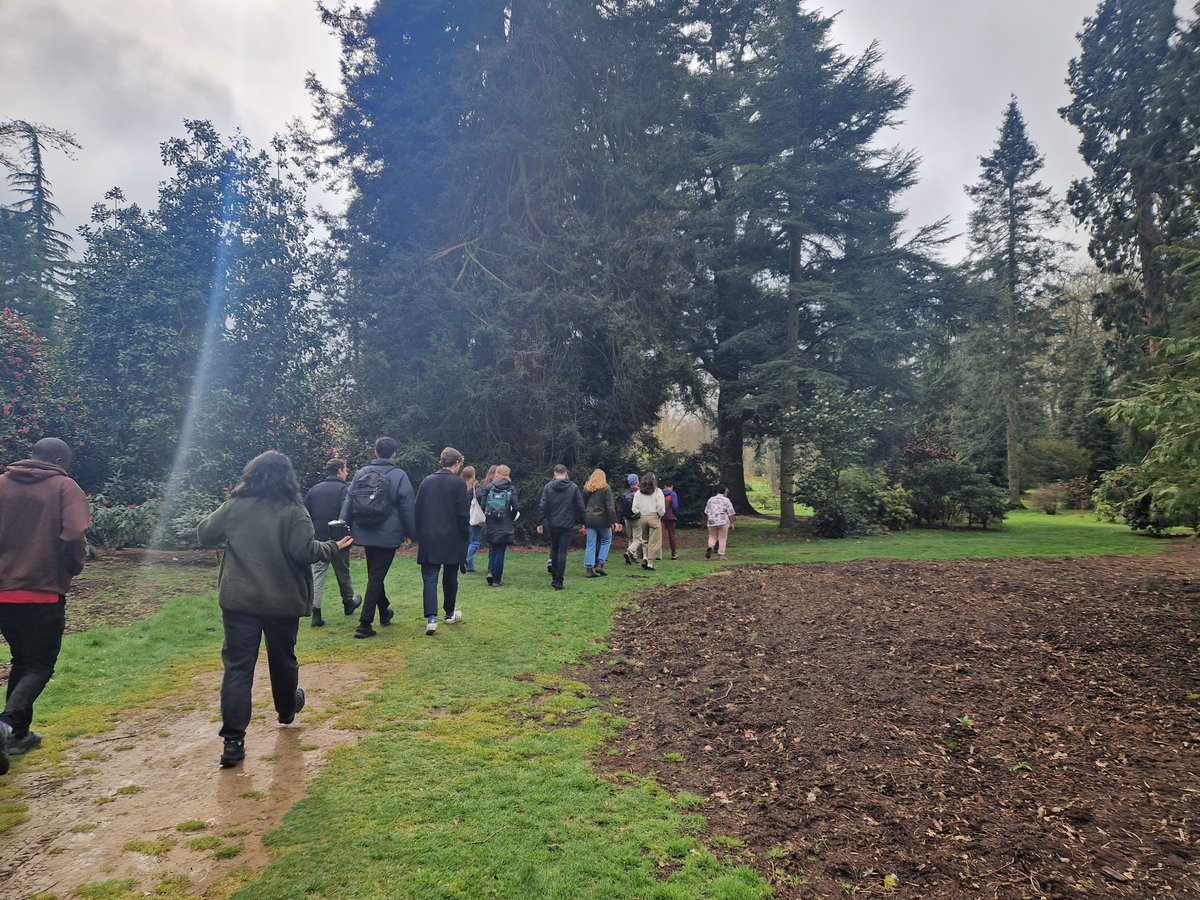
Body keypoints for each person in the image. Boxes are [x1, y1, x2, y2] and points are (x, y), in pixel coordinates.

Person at [198, 450, 353, 768]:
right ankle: (286, 709)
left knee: (238, 668)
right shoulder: (293, 510)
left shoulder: (234, 507)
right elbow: (304, 551)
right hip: (281, 601)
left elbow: (204, 533)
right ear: (288, 478)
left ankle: (233, 741)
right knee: (283, 659)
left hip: (239, 602)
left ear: (251, 474)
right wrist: (333, 547)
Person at [0, 438, 89, 773]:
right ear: (58, 459)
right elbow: (75, 531)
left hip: (3, 593)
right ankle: (6, 725)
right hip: (43, 591)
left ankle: (18, 735)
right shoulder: (64, 486)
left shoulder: (2, 484)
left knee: (22, 659)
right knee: (40, 666)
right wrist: (72, 565)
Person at [340, 437, 417, 639]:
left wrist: (343, 527)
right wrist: (412, 533)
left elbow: (349, 501)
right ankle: (364, 624)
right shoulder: (399, 475)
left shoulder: (361, 473)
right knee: (376, 576)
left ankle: (384, 612)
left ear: (375, 452)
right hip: (389, 532)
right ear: (394, 455)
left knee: (375, 574)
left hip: (364, 529)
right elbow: (407, 507)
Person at [414, 448, 470, 635]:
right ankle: (449, 613)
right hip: (452, 537)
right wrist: (465, 535)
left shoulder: (427, 481)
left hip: (429, 536)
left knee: (430, 578)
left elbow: (418, 510)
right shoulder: (458, 484)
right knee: (450, 577)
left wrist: (418, 533)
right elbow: (463, 514)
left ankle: (431, 619)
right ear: (457, 463)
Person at [303, 458, 362, 627]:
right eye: (345, 469)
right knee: (342, 572)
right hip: (340, 538)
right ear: (339, 471)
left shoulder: (314, 490)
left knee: (317, 574)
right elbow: (350, 512)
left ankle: (316, 611)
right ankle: (348, 602)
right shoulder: (345, 490)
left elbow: (306, 513)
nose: (347, 472)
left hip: (317, 538)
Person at [536, 465, 585, 590]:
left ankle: (554, 576)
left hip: (553, 523)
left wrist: (539, 522)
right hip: (567, 524)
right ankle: (559, 580)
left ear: (554, 473)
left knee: (555, 549)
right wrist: (582, 521)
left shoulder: (548, 487)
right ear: (566, 473)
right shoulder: (573, 488)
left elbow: (543, 506)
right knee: (563, 552)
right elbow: (580, 506)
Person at [482, 465, 518, 586]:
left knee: (492, 548)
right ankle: (496, 580)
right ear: (508, 474)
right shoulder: (511, 488)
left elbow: (483, 506)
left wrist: (488, 517)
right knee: (500, 551)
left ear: (496, 473)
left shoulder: (488, 487)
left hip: (491, 523)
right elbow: (516, 507)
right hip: (505, 523)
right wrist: (511, 518)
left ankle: (490, 572)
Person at [581, 468, 620, 577]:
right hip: (603, 519)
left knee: (590, 543)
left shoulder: (586, 488)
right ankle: (600, 563)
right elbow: (610, 506)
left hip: (589, 518)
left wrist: (582, 520)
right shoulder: (606, 488)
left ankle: (589, 569)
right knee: (606, 540)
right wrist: (614, 521)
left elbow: (582, 505)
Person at [629, 473, 666, 571]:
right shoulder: (658, 492)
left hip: (642, 517)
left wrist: (640, 513)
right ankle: (650, 563)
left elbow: (634, 508)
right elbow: (661, 507)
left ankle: (645, 556)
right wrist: (660, 514)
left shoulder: (638, 493)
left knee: (645, 540)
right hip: (654, 517)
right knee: (654, 541)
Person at [704, 484, 737, 560]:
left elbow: (707, 511)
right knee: (722, 538)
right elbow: (731, 513)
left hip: (711, 520)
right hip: (722, 520)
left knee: (712, 536)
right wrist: (732, 523)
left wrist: (708, 520)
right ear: (725, 492)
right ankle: (721, 555)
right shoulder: (726, 500)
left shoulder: (711, 499)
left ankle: (710, 547)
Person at [462, 465, 484, 573]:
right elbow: (480, 496)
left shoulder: (461, 485)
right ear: (473, 474)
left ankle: (470, 566)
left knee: (469, 541)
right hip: (474, 516)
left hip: (464, 516)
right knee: (475, 541)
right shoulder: (476, 485)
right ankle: (466, 559)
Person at [621, 473, 642, 564]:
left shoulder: (625, 494)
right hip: (637, 518)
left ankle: (633, 557)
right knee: (638, 539)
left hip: (627, 519)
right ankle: (629, 551)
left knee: (630, 538)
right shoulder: (640, 493)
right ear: (637, 482)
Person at [661, 481, 680, 560]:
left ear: (665, 486)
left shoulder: (660, 493)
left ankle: (658, 553)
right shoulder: (673, 494)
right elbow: (675, 506)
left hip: (661, 516)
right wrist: (675, 514)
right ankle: (673, 553)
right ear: (671, 486)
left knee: (660, 535)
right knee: (672, 535)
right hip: (671, 517)